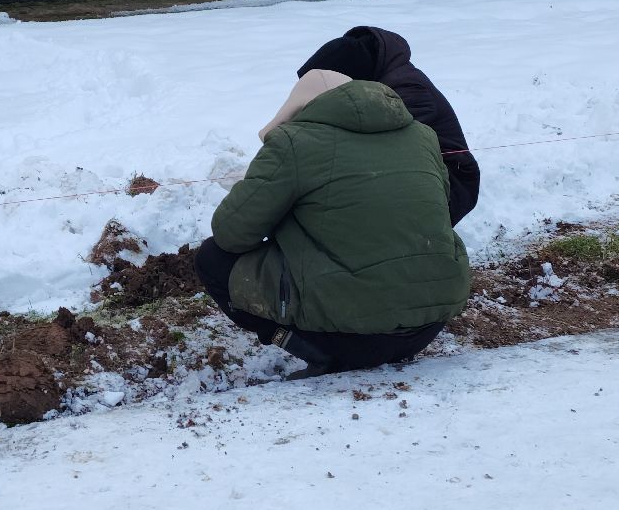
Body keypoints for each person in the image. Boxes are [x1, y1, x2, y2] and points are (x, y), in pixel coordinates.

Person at [195, 69, 474, 378]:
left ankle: (313, 350)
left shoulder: (294, 142)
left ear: (297, 108)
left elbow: (231, 233)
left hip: (352, 340)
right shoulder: (423, 136)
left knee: (212, 259)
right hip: (428, 325)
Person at [297, 26, 481, 225]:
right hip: (421, 174)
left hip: (453, 181)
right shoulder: (377, 81)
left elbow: (388, 149)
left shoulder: (406, 90)